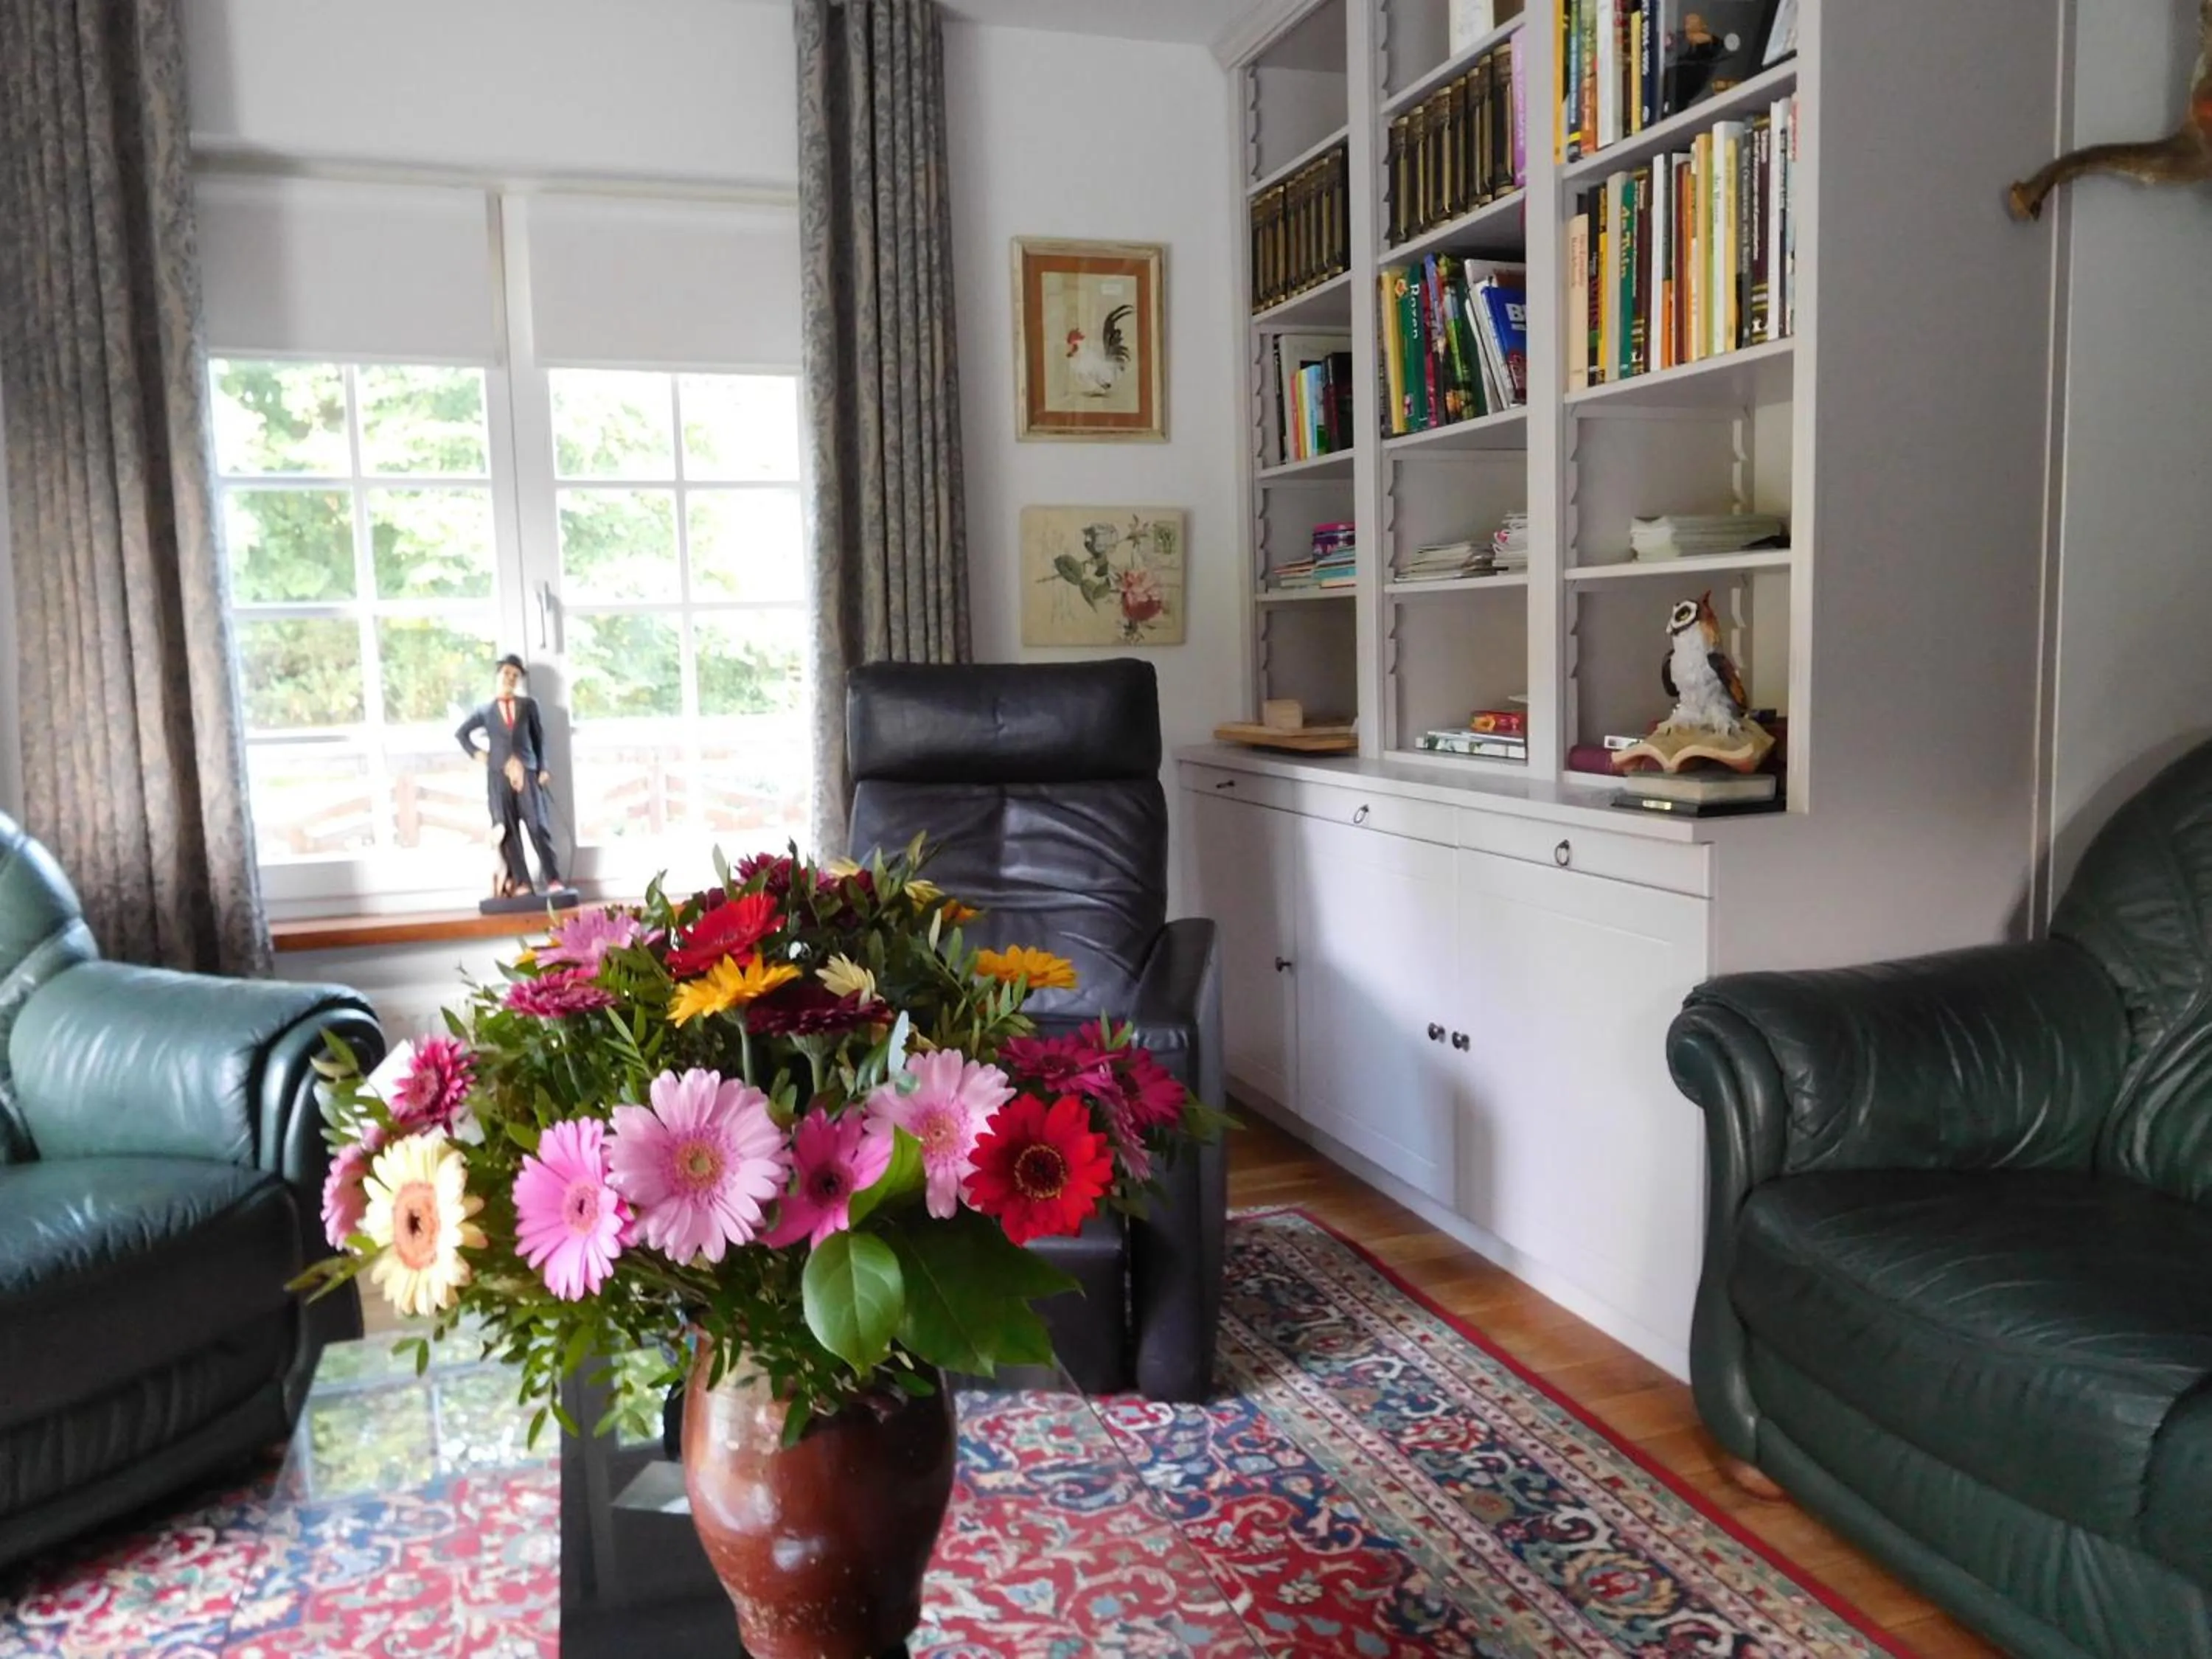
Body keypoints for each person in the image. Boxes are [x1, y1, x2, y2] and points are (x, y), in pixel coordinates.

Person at [456, 654, 568, 897]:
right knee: (507, 830)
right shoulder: (485, 710)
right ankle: (522, 881)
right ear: (498, 675)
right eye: (507, 673)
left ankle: (553, 878)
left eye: (515, 676)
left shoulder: (528, 706)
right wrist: (477, 754)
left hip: (527, 770)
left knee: (538, 824)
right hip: (498, 774)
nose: (510, 679)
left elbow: (539, 739)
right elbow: (462, 734)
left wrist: (543, 767)